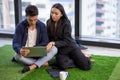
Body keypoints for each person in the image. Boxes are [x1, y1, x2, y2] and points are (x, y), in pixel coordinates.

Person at [12, 5, 57, 73]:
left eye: (35, 20)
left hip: (38, 54)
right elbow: (15, 43)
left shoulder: (42, 26)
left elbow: (45, 41)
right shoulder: (20, 26)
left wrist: (35, 48)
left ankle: (34, 65)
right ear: (26, 16)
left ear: (37, 16)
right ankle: (43, 62)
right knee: (17, 56)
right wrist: (20, 50)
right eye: (30, 20)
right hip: (25, 55)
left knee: (54, 49)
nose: (33, 22)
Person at [46, 3, 91, 70]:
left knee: (86, 66)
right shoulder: (48, 22)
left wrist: (54, 43)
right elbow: (48, 37)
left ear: (61, 14)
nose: (53, 15)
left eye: (56, 13)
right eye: (52, 13)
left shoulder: (66, 23)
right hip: (61, 50)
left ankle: (83, 58)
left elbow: (67, 41)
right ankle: (75, 59)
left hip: (70, 47)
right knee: (62, 66)